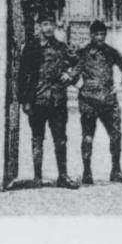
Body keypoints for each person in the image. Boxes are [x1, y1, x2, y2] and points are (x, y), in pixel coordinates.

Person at [17, 15, 80, 188]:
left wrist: (70, 75)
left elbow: (77, 63)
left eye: (51, 24)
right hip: (37, 99)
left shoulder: (61, 47)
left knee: (60, 139)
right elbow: (22, 75)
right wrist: (24, 101)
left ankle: (63, 176)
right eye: (45, 24)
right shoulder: (31, 48)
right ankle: (38, 177)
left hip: (57, 101)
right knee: (37, 138)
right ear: (39, 26)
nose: (49, 28)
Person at [74, 19, 122, 185]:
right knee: (88, 136)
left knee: (116, 135)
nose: (100, 37)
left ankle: (116, 170)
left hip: (108, 101)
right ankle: (87, 172)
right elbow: (69, 71)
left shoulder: (111, 52)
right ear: (91, 35)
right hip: (88, 101)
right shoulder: (82, 53)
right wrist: (77, 84)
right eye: (97, 34)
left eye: (103, 34)